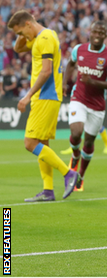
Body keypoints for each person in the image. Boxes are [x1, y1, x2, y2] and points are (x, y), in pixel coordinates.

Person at [7, 10, 80, 201]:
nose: (21, 38)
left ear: (29, 25)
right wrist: (21, 31)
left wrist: (27, 96)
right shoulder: (41, 36)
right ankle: (48, 191)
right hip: (45, 97)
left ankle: (69, 173)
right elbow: (17, 48)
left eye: (21, 32)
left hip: (45, 96)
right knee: (43, 144)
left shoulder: (45, 37)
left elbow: (46, 71)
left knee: (30, 143)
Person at [63, 21, 107, 191]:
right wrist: (65, 83)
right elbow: (71, 64)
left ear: (105, 36)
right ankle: (74, 154)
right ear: (90, 32)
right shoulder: (79, 49)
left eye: (101, 33)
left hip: (97, 105)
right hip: (78, 98)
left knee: (88, 143)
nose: (97, 35)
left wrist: (92, 81)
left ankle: (81, 175)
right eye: (94, 32)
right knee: (76, 132)